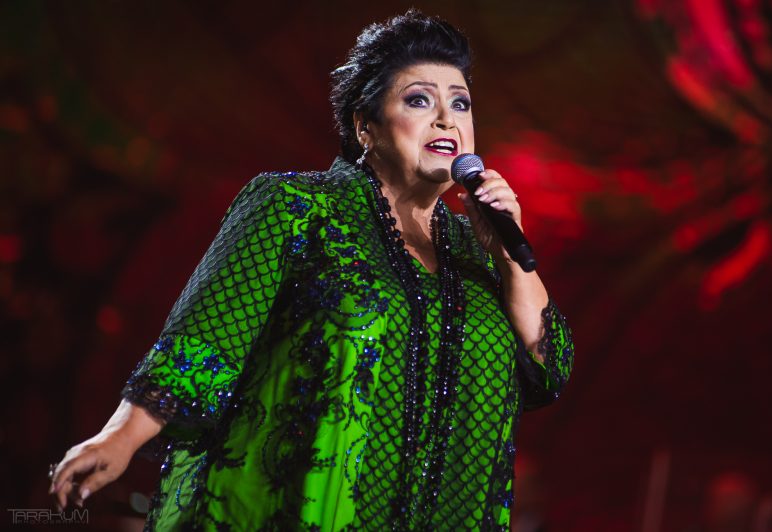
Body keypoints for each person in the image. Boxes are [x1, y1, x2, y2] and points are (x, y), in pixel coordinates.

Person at [49, 10, 574, 530]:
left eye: (460, 103)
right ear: (365, 127)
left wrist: (509, 257)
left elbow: (548, 371)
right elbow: (205, 340)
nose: (446, 120)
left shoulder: (479, 250)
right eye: (419, 100)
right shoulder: (295, 206)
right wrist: (118, 438)